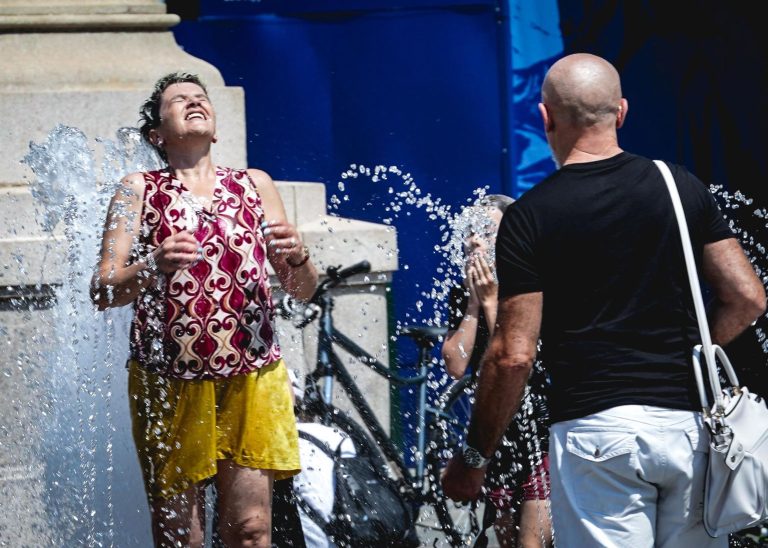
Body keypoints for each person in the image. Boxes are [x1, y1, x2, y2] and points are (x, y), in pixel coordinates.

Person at [441, 52, 766, 547]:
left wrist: (475, 457)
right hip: (688, 431)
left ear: (545, 117)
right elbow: (748, 298)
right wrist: (688, 363)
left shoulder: (530, 217)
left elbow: (514, 355)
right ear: (622, 112)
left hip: (595, 436)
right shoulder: (679, 186)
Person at [90, 71, 318, 547]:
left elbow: (302, 290)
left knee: (252, 530)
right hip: (169, 378)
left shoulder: (255, 184)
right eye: (178, 100)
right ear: (157, 134)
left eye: (201, 98)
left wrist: (298, 256)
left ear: (215, 127)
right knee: (181, 536)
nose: (194, 102)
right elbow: (103, 289)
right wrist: (151, 265)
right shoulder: (138, 189)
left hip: (251, 375)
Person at [441, 194, 553, 547]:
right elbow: (456, 364)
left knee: (532, 543)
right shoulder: (463, 295)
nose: (476, 240)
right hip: (497, 436)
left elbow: (523, 360)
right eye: (472, 231)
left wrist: (491, 301)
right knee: (505, 538)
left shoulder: (529, 287)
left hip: (540, 432)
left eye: (488, 231)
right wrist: (474, 304)